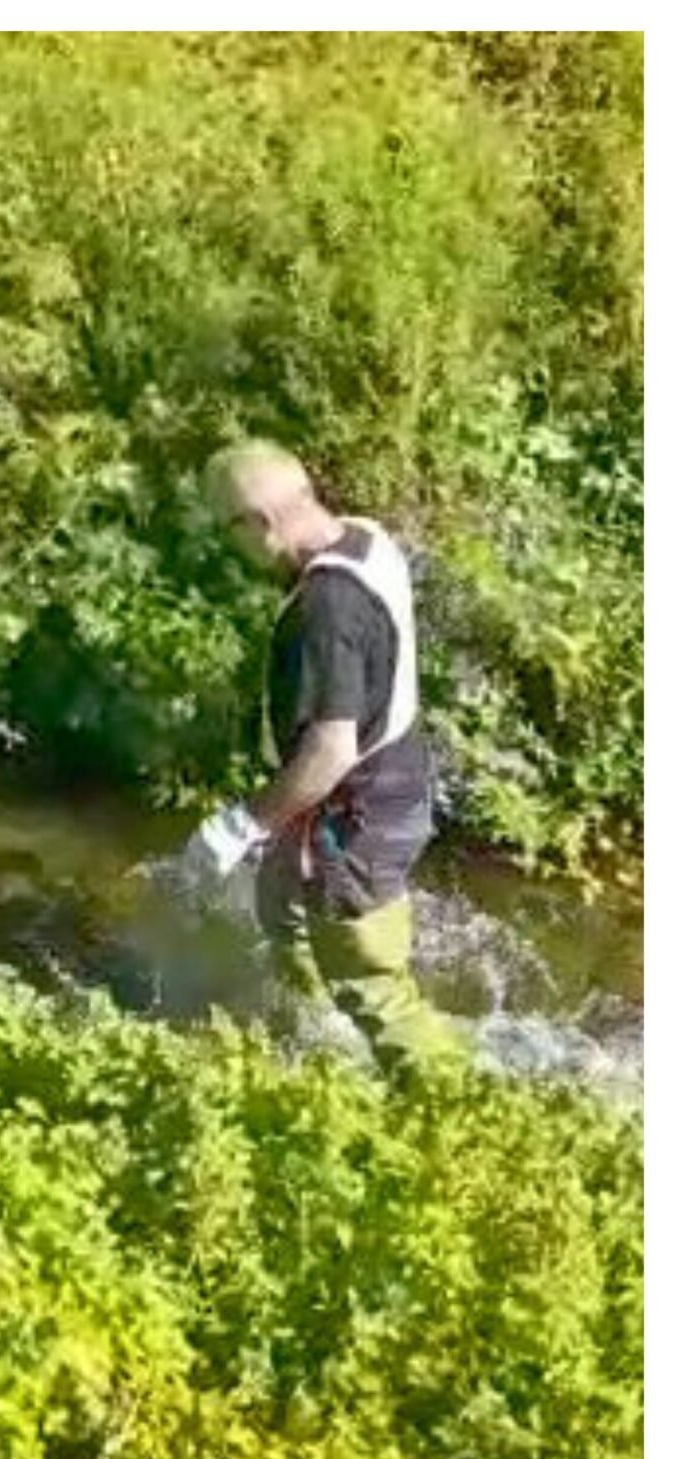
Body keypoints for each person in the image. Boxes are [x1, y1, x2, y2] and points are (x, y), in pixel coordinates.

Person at [181, 440, 467, 1070]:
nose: (233, 547)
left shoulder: (325, 609)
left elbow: (331, 750)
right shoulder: (363, 537)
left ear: (259, 523)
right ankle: (318, 1041)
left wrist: (241, 824)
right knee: (279, 898)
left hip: (358, 814)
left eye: (228, 528)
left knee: (372, 981)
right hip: (388, 781)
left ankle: (452, 1101)